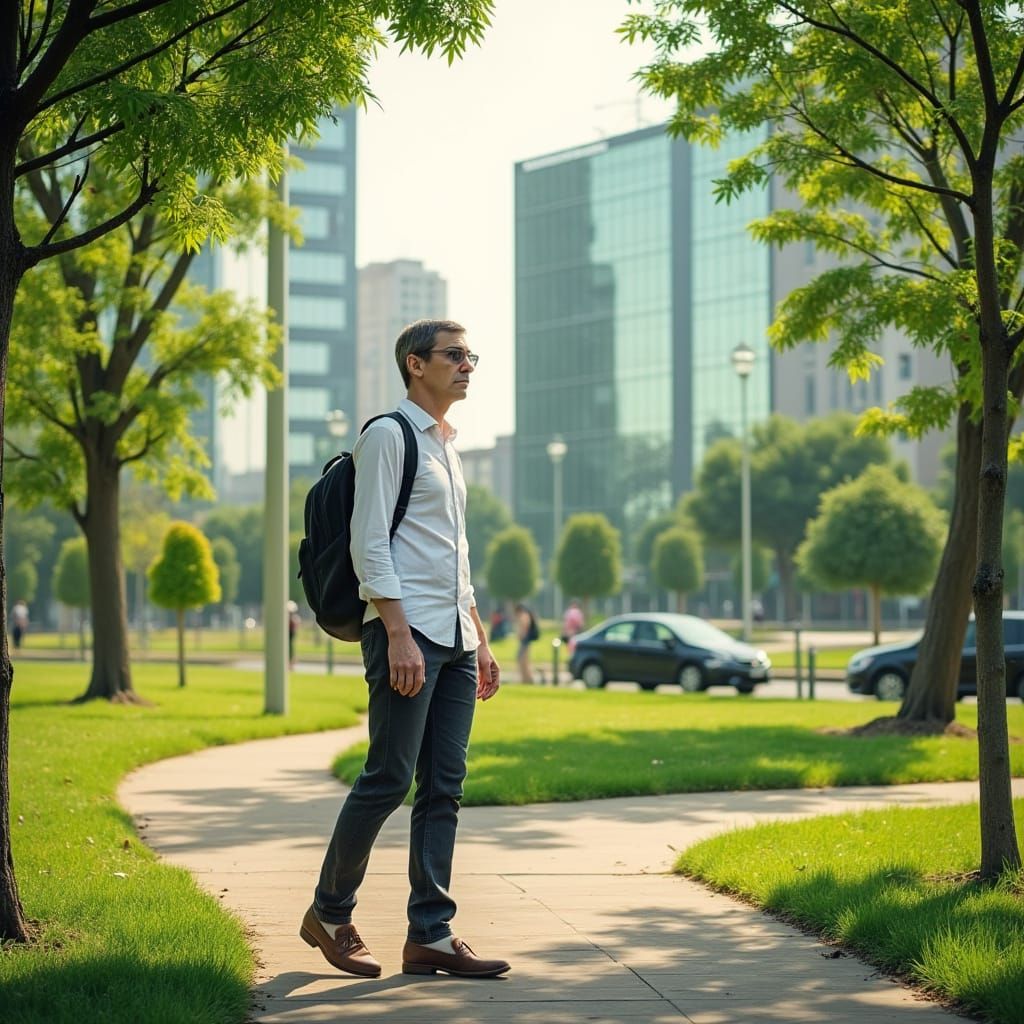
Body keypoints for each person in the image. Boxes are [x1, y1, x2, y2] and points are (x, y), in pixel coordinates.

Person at [300, 319, 508, 980]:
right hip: (407, 632)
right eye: (455, 355)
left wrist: (480, 638)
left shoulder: (448, 447)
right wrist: (396, 632)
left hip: (455, 637)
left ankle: (431, 935)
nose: (467, 365)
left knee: (444, 785)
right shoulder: (388, 435)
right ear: (416, 364)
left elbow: (454, 557)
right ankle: (330, 912)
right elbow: (369, 543)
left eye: (471, 356)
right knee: (388, 776)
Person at [515, 602, 537, 684]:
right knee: (524, 660)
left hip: (524, 641)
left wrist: (521, 636)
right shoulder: (526, 615)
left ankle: (527, 679)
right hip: (525, 641)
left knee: (523, 660)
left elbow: (524, 628)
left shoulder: (524, 616)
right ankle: (526, 679)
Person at [287, 600, 301, 668]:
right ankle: (290, 662)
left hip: (290, 634)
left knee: (290, 648)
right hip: (290, 634)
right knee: (290, 648)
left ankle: (291, 662)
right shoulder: (293, 618)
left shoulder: (293, 618)